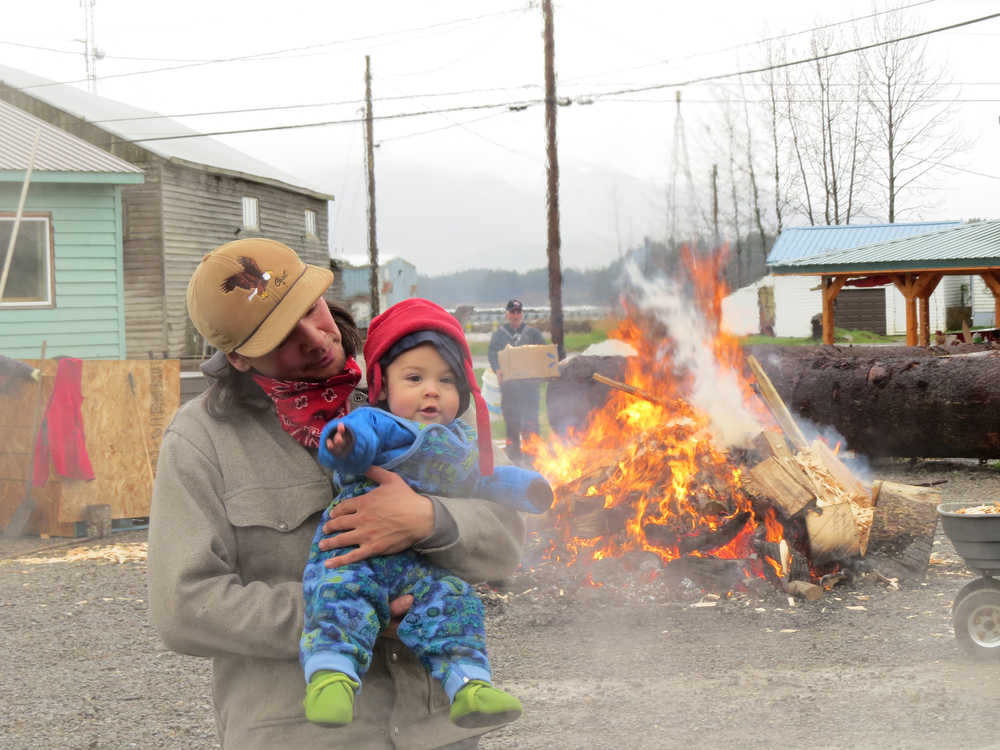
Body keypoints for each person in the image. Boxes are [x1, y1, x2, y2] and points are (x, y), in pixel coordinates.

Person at [147, 238, 526, 750]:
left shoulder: (407, 383)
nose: (315, 338)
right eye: (280, 333)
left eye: (310, 308)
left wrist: (429, 519)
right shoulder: (202, 440)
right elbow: (184, 607)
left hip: (436, 733)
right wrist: (354, 612)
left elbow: (508, 543)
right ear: (238, 358)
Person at [302, 298, 552, 728]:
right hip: (353, 554)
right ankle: (330, 677)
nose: (431, 390)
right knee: (338, 598)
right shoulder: (378, 423)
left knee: (456, 603)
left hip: (419, 565)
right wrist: (342, 443)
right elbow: (353, 441)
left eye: (447, 380)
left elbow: (484, 477)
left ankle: (469, 683)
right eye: (414, 378)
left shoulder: (458, 443)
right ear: (382, 387)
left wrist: (527, 488)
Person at [487, 299, 546, 463]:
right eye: (512, 312)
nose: (515, 315)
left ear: (522, 314)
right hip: (510, 386)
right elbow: (492, 353)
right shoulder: (500, 334)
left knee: (531, 418)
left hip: (529, 386)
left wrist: (540, 370)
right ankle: (513, 452)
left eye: (518, 312)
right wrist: (497, 368)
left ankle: (532, 452)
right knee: (512, 418)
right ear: (507, 314)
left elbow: (543, 352)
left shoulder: (533, 333)